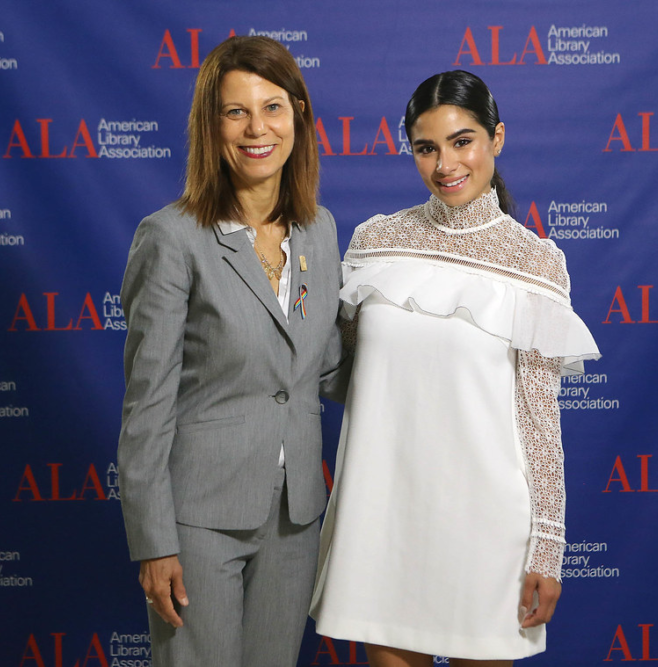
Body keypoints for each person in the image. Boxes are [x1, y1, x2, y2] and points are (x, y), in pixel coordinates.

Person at [310, 70, 600, 667]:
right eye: (426, 147)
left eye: (463, 141)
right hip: (383, 512)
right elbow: (336, 374)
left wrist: (548, 548)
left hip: (488, 526)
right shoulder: (373, 242)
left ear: (497, 138)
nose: (446, 163)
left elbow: (540, 424)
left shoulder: (538, 262)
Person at [118, 35, 346, 667]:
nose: (257, 129)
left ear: (298, 114)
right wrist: (153, 542)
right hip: (198, 519)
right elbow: (147, 406)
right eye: (235, 111)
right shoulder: (171, 238)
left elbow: (328, 365)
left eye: (273, 107)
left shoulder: (320, 231)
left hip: (296, 516)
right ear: (210, 125)